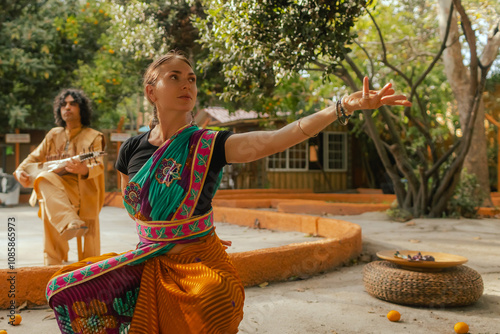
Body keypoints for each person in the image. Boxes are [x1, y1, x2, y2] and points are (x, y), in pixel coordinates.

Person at [46, 50, 411, 334]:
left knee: (212, 298)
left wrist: (341, 107)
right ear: (151, 91)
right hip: (149, 256)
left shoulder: (210, 145)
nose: (187, 84)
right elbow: (136, 208)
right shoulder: (131, 148)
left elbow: (276, 138)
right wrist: (170, 233)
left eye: (191, 78)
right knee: (68, 289)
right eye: (174, 77)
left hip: (199, 257)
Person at [13, 89, 105, 266]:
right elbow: (34, 157)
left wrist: (83, 169)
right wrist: (19, 170)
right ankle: (67, 228)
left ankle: (87, 271)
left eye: (72, 104)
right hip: (53, 188)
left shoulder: (94, 136)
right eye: (63, 104)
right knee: (45, 179)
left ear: (81, 109)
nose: (67, 107)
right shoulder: (53, 135)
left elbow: (98, 163)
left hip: (83, 192)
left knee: (44, 183)